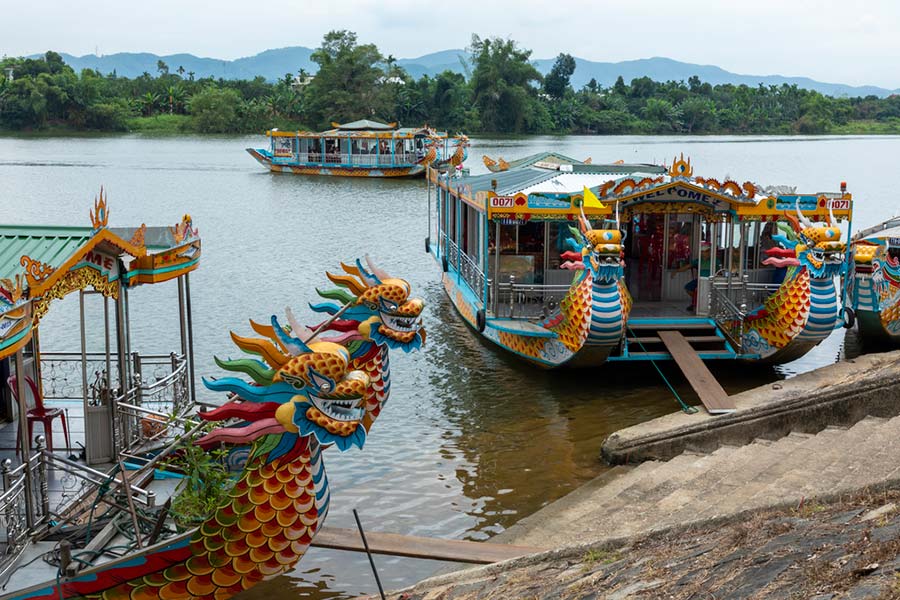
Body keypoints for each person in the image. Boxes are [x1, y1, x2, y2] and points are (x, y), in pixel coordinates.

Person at [671, 242, 712, 311]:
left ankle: (698, 302)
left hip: (710, 280)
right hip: (700, 280)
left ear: (710, 252)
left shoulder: (714, 261)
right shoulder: (698, 261)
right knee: (688, 288)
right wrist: (676, 271)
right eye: (702, 252)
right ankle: (696, 301)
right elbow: (687, 267)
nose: (704, 253)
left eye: (706, 251)